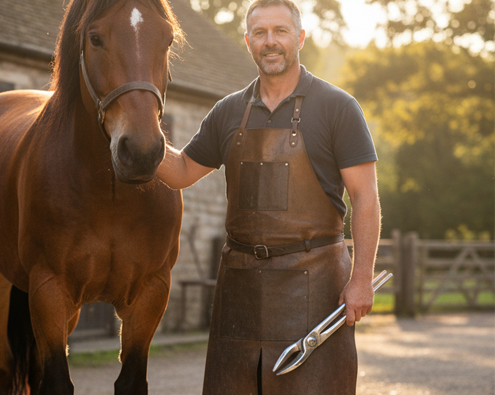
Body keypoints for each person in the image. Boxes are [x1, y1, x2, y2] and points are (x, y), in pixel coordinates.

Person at [156, 0, 381, 393]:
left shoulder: (338, 108)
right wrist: (135, 131)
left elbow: (366, 198)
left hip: (315, 286)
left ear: (300, 37)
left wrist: (361, 277)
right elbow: (180, 173)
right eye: (260, 33)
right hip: (239, 291)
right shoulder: (228, 112)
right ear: (247, 41)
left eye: (280, 31)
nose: (270, 41)